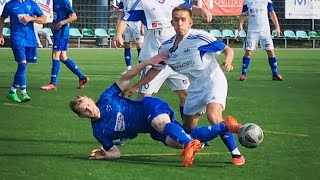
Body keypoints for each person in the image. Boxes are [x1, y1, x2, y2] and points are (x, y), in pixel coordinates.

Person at [69, 53, 242, 167]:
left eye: (88, 104)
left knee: (161, 123)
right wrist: (106, 154)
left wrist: (148, 62)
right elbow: (116, 152)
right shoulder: (99, 132)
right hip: (150, 129)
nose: (90, 110)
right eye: (85, 111)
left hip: (148, 107)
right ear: (81, 116)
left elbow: (126, 78)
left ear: (91, 100)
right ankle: (225, 126)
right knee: (183, 140)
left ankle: (189, 144)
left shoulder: (107, 98)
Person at [124, 6, 245, 166]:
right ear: (172, 22)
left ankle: (236, 154)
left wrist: (228, 61)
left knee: (214, 117)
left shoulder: (200, 37)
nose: (179, 23)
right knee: (188, 128)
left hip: (213, 81)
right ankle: (197, 142)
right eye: (176, 19)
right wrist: (136, 86)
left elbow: (228, 50)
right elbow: (155, 70)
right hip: (194, 87)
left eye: (183, 20)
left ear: (190, 23)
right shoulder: (166, 47)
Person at [114, 0, 212, 120]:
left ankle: (187, 131)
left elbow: (189, 8)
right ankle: (125, 130)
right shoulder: (143, 2)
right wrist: (118, 34)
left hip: (176, 55)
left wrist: (201, 10)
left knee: (185, 94)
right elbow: (126, 18)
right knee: (143, 98)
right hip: (153, 54)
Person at [0, 0, 47, 102]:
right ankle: (19, 92)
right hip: (17, 38)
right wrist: (0, 35)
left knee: (23, 67)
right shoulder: (10, 4)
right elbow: (2, 19)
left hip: (30, 39)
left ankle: (16, 92)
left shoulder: (32, 4)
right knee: (22, 64)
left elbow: (44, 19)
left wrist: (31, 18)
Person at [40, 0, 89, 90]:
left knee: (55, 55)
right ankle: (82, 77)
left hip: (62, 33)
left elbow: (74, 17)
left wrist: (61, 23)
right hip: (57, 32)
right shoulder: (52, 2)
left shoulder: (63, 1)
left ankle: (53, 83)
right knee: (63, 57)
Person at [238, 0, 283, 81]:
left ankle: (275, 74)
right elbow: (243, 14)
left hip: (265, 31)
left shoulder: (267, 1)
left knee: (270, 51)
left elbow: (272, 13)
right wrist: (241, 24)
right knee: (248, 52)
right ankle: (243, 74)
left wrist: (277, 27)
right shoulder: (247, 1)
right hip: (252, 31)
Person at [116, 0, 144, 75]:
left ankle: (141, 68)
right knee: (127, 45)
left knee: (139, 46)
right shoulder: (123, 1)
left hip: (137, 23)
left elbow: (144, 12)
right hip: (126, 24)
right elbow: (120, 13)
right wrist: (118, 26)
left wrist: (142, 26)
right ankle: (128, 68)